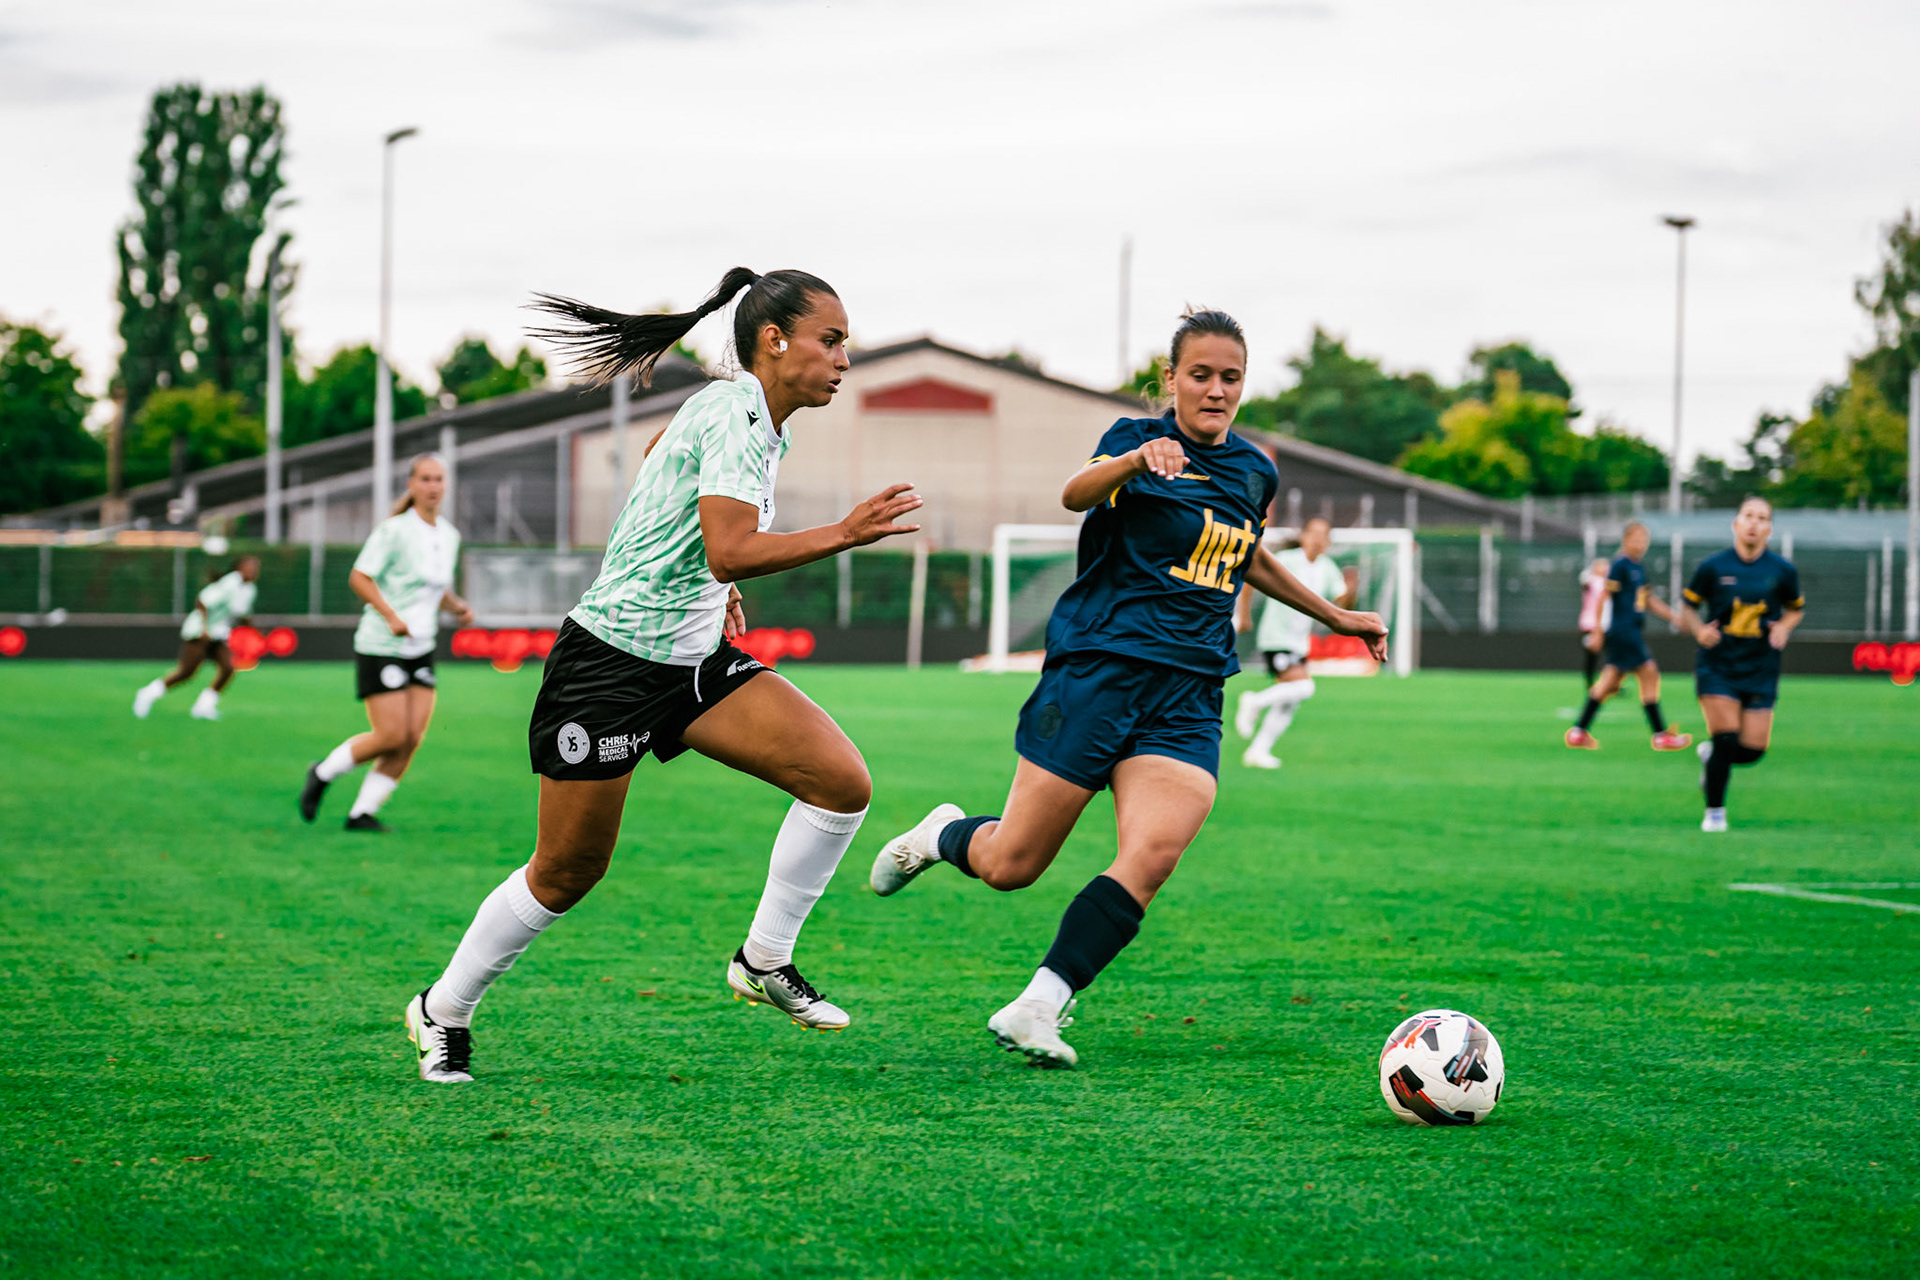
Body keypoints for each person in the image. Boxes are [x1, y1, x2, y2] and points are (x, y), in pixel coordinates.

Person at [401, 267, 922, 1084]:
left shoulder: (744, 414)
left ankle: (763, 959)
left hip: (691, 662)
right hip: (607, 666)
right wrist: (843, 533)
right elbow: (728, 546)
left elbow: (669, 472)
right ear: (775, 341)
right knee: (566, 872)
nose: (845, 357)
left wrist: (714, 582)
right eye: (833, 339)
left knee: (839, 782)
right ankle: (443, 1008)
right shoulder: (736, 413)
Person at [868, 309, 1387, 1068]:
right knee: (1012, 865)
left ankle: (1038, 1006)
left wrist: (1335, 616)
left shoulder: (1255, 471)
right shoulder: (1131, 441)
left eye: (1230, 378)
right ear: (1170, 379)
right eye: (1200, 375)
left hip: (1189, 690)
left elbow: (1244, 552)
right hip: (1099, 671)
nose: (1215, 390)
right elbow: (1076, 494)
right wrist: (1136, 463)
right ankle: (943, 834)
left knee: (1153, 852)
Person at [298, 454, 473, 833]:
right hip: (381, 644)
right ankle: (323, 772)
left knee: (411, 739)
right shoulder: (393, 530)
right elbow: (360, 577)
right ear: (411, 485)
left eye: (439, 479)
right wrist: (391, 616)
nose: (433, 486)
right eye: (425, 478)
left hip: (421, 646)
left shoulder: (448, 535)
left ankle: (362, 813)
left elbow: (436, 587)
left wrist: (457, 606)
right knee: (391, 735)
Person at [1678, 497, 1804, 833]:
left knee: (1752, 750)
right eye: (1748, 516)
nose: (1754, 523)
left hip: (1761, 667)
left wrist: (1783, 627)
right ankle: (1715, 813)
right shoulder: (1713, 567)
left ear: (1769, 529)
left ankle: (1711, 757)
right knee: (1727, 738)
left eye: (1762, 518)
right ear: (1736, 524)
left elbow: (1795, 609)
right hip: (1718, 666)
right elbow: (1688, 606)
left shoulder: (1782, 570)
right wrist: (1699, 630)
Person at [1231, 515, 1356, 769]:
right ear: (1304, 536)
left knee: (1291, 702)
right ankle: (1253, 701)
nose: (1319, 539)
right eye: (1315, 533)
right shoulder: (1287, 561)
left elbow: (1342, 605)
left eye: (1324, 535)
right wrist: (1243, 615)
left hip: (1300, 643)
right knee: (1304, 688)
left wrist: (1351, 590)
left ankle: (1258, 750)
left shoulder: (1327, 567)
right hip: (1276, 637)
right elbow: (1250, 576)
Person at [1564, 521, 1692, 752]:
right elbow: (1604, 597)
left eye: (1644, 539)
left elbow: (1649, 600)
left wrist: (1674, 618)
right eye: (1637, 538)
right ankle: (1660, 734)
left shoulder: (1639, 567)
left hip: (1631, 629)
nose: (1641, 544)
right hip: (1623, 630)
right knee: (1648, 672)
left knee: (1608, 682)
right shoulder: (1621, 564)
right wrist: (1597, 631)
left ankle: (1578, 732)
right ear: (1626, 540)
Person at [133, 555, 261, 721]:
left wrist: (255, 634)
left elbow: (243, 615)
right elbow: (203, 601)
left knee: (228, 668)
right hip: (199, 631)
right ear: (239, 568)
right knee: (187, 672)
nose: (253, 571)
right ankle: (147, 693)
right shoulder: (230, 583)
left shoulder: (249, 589)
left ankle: (203, 707)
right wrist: (205, 629)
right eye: (250, 567)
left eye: (256, 568)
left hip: (219, 633)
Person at [1577, 556, 1610, 689]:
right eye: (1601, 566)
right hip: (1590, 624)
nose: (1604, 569)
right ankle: (1590, 683)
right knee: (1592, 655)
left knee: (1611, 656)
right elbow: (1584, 580)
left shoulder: (1608, 583)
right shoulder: (1591, 581)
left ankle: (1611, 683)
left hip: (1606, 624)